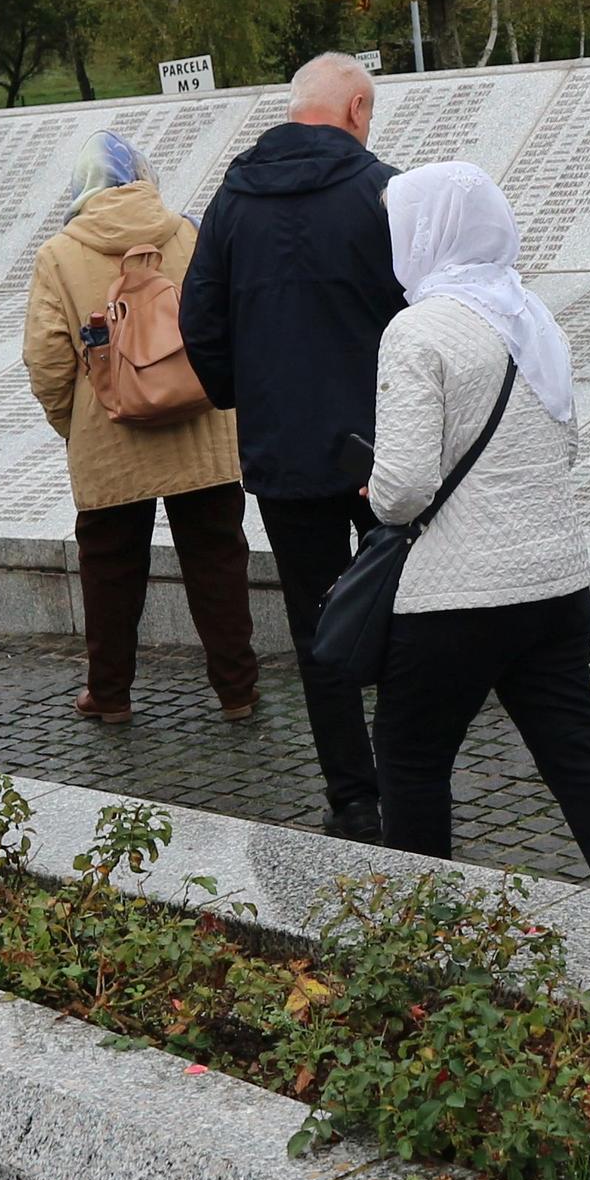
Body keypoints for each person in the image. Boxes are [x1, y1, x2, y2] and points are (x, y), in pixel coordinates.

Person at [365, 161, 590, 899]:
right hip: (555, 583)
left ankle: (419, 933)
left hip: (455, 596)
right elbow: (565, 445)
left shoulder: (416, 330)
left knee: (410, 760)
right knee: (578, 755)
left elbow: (403, 487)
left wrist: (372, 491)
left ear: (425, 232)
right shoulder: (532, 318)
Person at [180, 51, 404, 841]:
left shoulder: (231, 204)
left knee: (319, 629)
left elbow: (200, 323)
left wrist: (248, 395)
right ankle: (409, 780)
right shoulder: (383, 191)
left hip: (283, 454)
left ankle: (354, 797)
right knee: (404, 613)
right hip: (386, 448)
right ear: (354, 110)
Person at [22, 130, 261, 723]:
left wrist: (74, 423)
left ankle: (110, 696)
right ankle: (236, 691)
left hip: (109, 436)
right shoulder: (186, 232)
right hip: (200, 427)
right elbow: (226, 323)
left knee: (109, 569)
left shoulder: (60, 254)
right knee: (217, 561)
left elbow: (48, 359)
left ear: (82, 188)